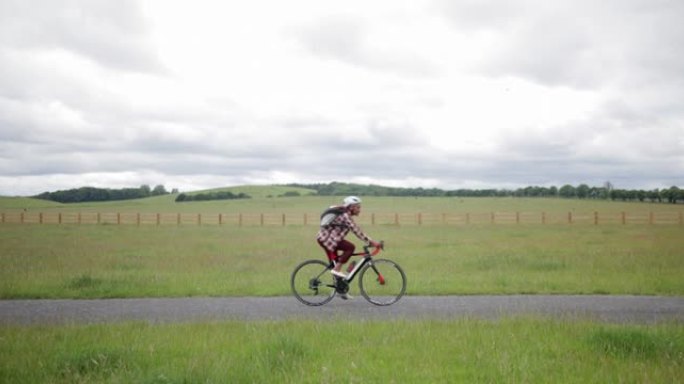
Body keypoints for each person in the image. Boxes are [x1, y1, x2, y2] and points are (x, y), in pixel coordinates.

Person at [316, 196, 381, 300]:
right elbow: (356, 231)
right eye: (357, 207)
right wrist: (371, 242)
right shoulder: (345, 216)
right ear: (351, 207)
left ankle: (341, 290)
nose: (360, 209)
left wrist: (369, 241)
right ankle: (336, 271)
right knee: (350, 248)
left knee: (337, 263)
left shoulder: (344, 214)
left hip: (331, 240)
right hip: (328, 240)